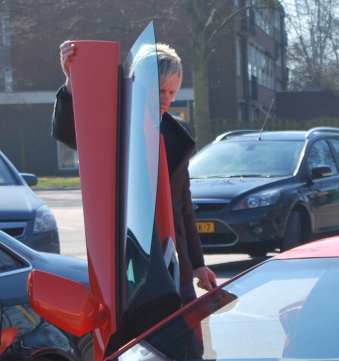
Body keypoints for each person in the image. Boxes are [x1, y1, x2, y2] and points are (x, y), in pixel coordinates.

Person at [53, 39, 217, 301]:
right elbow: (71, 134)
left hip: (175, 258)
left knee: (190, 341)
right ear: (139, 84)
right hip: (131, 258)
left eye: (172, 92)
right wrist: (72, 80)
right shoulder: (116, 126)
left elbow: (183, 203)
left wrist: (197, 263)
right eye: (159, 90)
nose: (165, 100)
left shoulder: (178, 133)